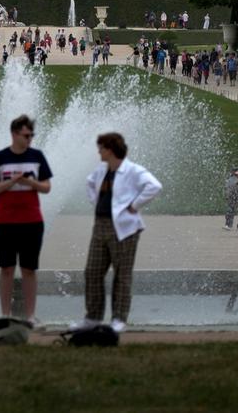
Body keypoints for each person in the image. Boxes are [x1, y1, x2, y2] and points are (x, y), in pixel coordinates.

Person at [71, 132, 161, 334]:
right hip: (101, 225)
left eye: (101, 148)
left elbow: (154, 186)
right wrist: (97, 204)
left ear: (110, 150)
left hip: (125, 229)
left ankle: (119, 319)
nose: (98, 152)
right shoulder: (102, 170)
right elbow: (89, 183)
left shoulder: (133, 170)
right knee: (92, 271)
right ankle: (93, 317)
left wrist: (134, 205)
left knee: (122, 275)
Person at [0, 115, 53, 324]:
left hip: (32, 220)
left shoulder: (37, 156)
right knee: (6, 268)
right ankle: (5, 315)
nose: (29, 138)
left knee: (29, 269)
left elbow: (47, 187)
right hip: (4, 221)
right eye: (26, 135)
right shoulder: (0, 157)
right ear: (14, 134)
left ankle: (30, 316)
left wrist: (30, 182)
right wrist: (11, 182)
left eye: (32, 135)